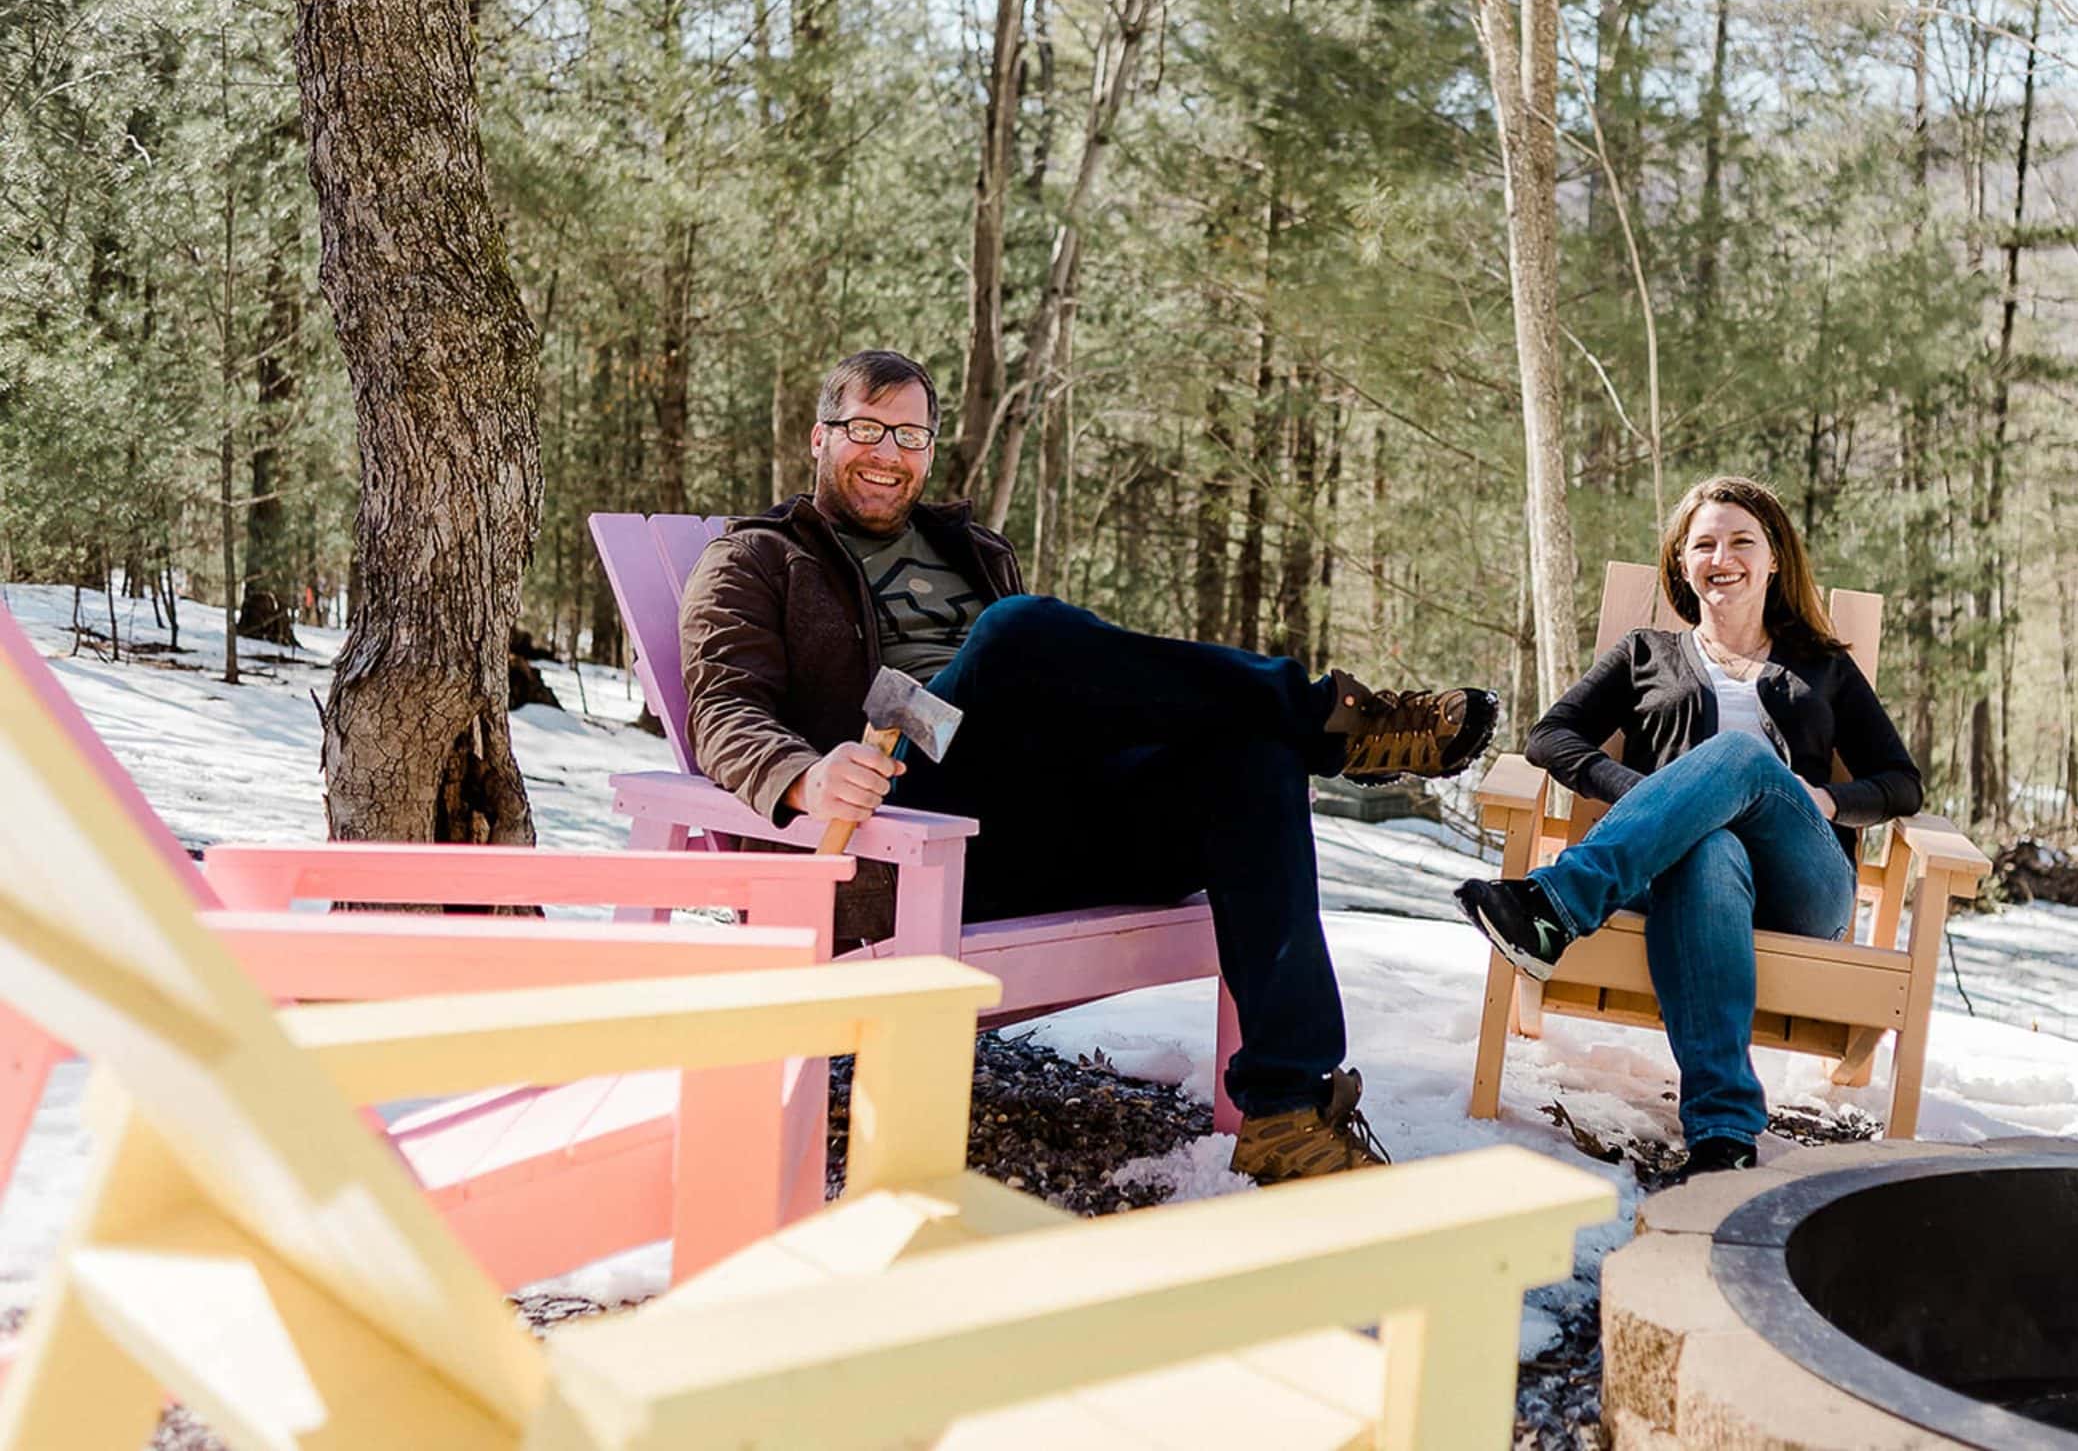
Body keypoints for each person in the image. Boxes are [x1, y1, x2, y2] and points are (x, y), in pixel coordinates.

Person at [680, 349, 1499, 1183]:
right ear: (820, 437)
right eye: (865, 429)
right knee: (1016, 632)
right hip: (897, 829)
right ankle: (1331, 718)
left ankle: (1287, 1106)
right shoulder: (757, 558)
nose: (888, 452)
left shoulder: (972, 550)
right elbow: (722, 709)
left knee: (1249, 758)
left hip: (1037, 831)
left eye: (910, 434)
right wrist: (805, 776)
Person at [1454, 475, 1920, 1180]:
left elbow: (1901, 781)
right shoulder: (1646, 653)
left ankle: (1556, 906)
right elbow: (1551, 735)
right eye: (1703, 543)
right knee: (1708, 846)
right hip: (1674, 880)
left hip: (1801, 887)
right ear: (1681, 564)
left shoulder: (1823, 667)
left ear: (1773, 561)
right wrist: (1652, 796)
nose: (1721, 555)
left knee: (1738, 755)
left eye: (1741, 541)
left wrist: (1824, 801)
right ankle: (1723, 1135)